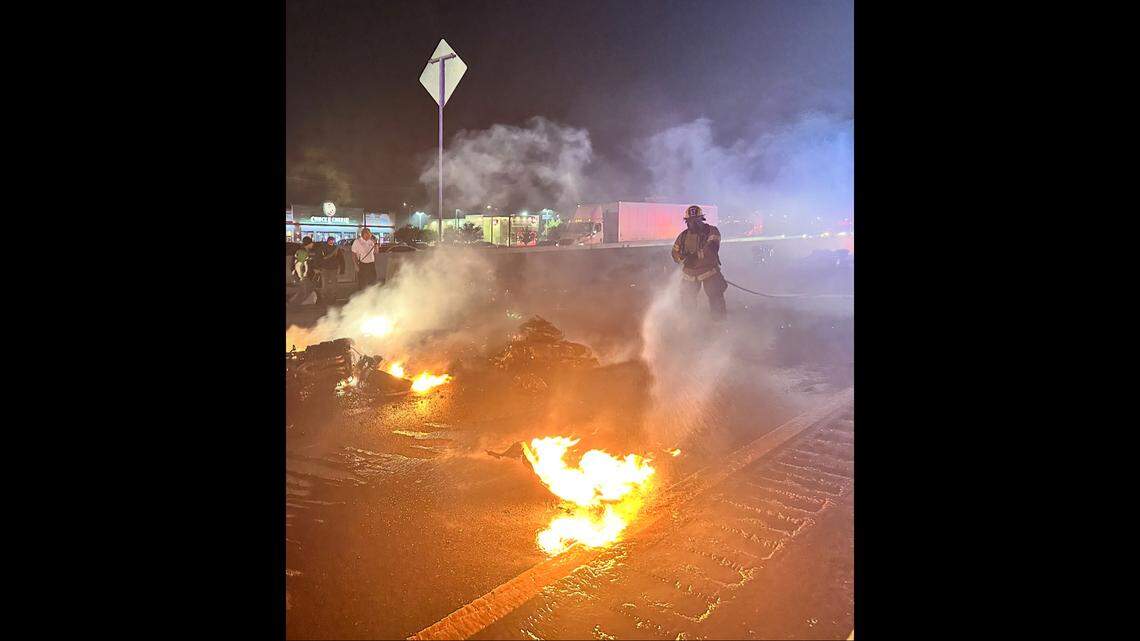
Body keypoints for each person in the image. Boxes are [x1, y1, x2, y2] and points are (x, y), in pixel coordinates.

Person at [671, 205, 727, 320]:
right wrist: (683, 259)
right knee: (687, 301)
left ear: (702, 219)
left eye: (696, 220)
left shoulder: (712, 231)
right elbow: (674, 253)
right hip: (689, 275)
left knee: (716, 297)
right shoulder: (683, 236)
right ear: (686, 222)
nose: (693, 224)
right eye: (690, 221)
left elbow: (712, 248)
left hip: (709, 272)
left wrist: (695, 256)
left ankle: (719, 325)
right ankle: (690, 326)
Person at [289, 236, 319, 307]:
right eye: (311, 243)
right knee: (304, 292)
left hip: (303, 275)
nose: (312, 244)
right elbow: (298, 266)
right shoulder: (302, 252)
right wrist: (301, 277)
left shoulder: (305, 251)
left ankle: (292, 304)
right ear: (308, 244)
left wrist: (313, 269)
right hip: (301, 275)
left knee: (308, 288)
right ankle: (292, 305)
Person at [316, 236, 344, 303]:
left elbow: (319, 258)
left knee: (326, 284)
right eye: (331, 240)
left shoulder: (323, 248)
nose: (332, 242)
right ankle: (331, 297)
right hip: (331, 268)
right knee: (332, 283)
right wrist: (342, 268)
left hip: (327, 268)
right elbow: (341, 259)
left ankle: (326, 297)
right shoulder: (336, 248)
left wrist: (318, 266)